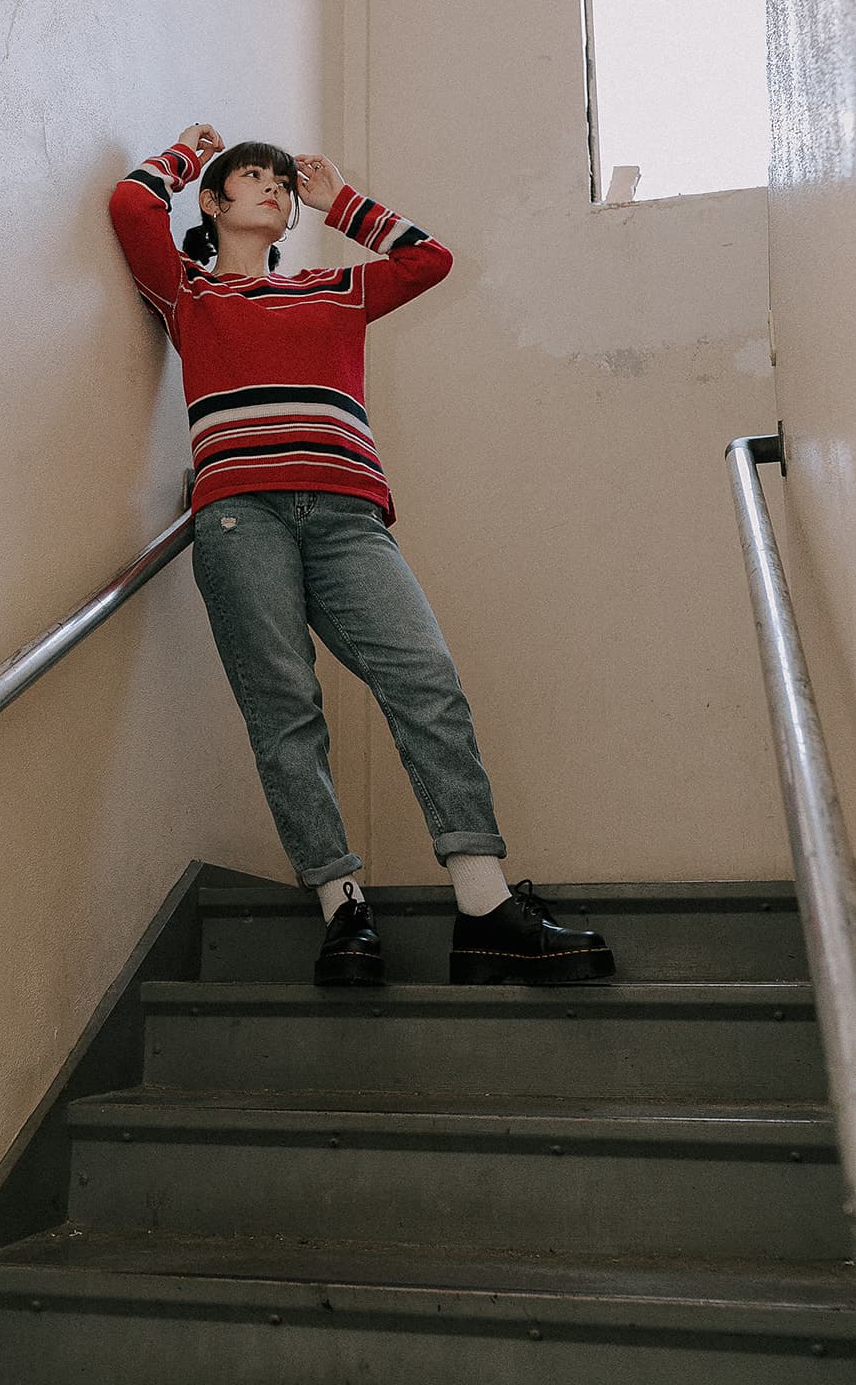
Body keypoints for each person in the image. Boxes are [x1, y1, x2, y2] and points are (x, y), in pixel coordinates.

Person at [109, 123, 615, 988]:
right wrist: (189, 154)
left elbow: (430, 261)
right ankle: (342, 910)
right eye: (253, 179)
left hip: (347, 519)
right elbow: (129, 205)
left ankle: (485, 907)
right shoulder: (190, 295)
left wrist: (337, 196)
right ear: (215, 204)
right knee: (284, 710)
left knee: (425, 682)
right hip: (239, 517)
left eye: (281, 182)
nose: (272, 189)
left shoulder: (334, 289)